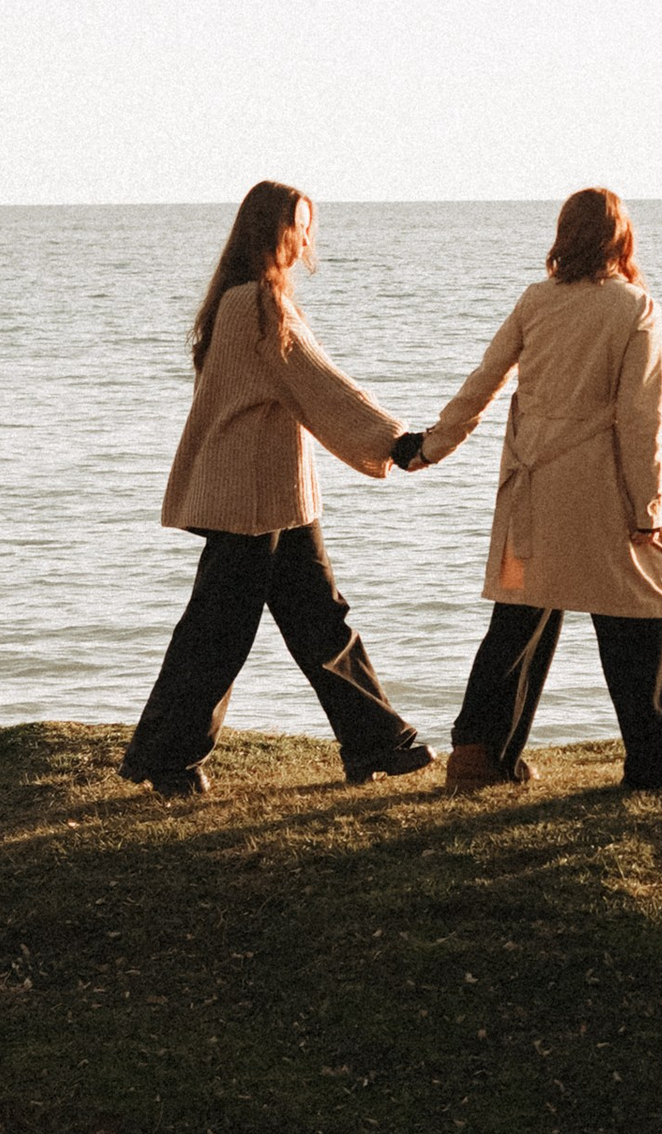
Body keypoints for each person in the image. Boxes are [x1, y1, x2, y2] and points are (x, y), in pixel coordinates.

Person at [402, 185, 662, 794]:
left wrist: (432, 447)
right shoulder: (635, 306)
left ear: (564, 237)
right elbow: (640, 417)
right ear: (621, 239)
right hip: (599, 486)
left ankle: (479, 755)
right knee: (648, 606)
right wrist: (647, 506)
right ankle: (660, 761)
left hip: (531, 488)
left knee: (520, 615)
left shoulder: (536, 300)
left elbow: (484, 381)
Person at [121, 181, 432, 798]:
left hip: (278, 496)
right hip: (250, 496)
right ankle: (165, 757)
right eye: (301, 224)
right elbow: (321, 385)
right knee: (219, 632)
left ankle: (375, 743)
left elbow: (306, 390)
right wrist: (397, 442)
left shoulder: (239, 300)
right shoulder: (259, 305)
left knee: (317, 621)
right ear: (274, 231)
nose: (308, 237)